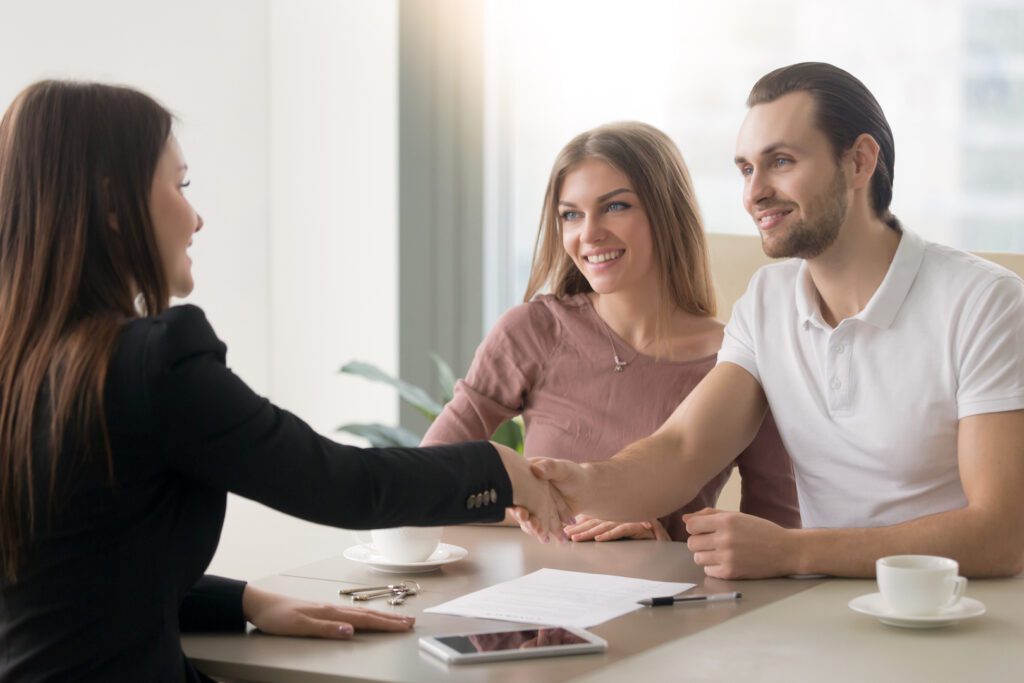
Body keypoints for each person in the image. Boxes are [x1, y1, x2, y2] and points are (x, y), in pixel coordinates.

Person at [0, 80, 567, 682]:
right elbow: (342, 484)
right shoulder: (150, 364)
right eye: (180, 184)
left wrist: (246, 601)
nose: (196, 216)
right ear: (114, 206)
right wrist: (496, 470)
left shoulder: (22, 365)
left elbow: (70, 572)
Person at [528, 62, 1024, 579]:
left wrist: (794, 552)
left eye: (780, 161)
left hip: (960, 626)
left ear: (859, 162)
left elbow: (1002, 533)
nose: (754, 192)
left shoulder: (984, 302)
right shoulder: (767, 302)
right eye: (746, 169)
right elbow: (680, 450)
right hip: (818, 622)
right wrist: (567, 482)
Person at [423, 121, 799, 542]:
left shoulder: (740, 359)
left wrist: (665, 536)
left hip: (668, 600)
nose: (589, 233)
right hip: (536, 596)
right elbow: (426, 482)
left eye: (616, 207)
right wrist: (553, 514)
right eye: (571, 215)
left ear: (666, 211)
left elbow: (776, 534)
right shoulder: (532, 331)